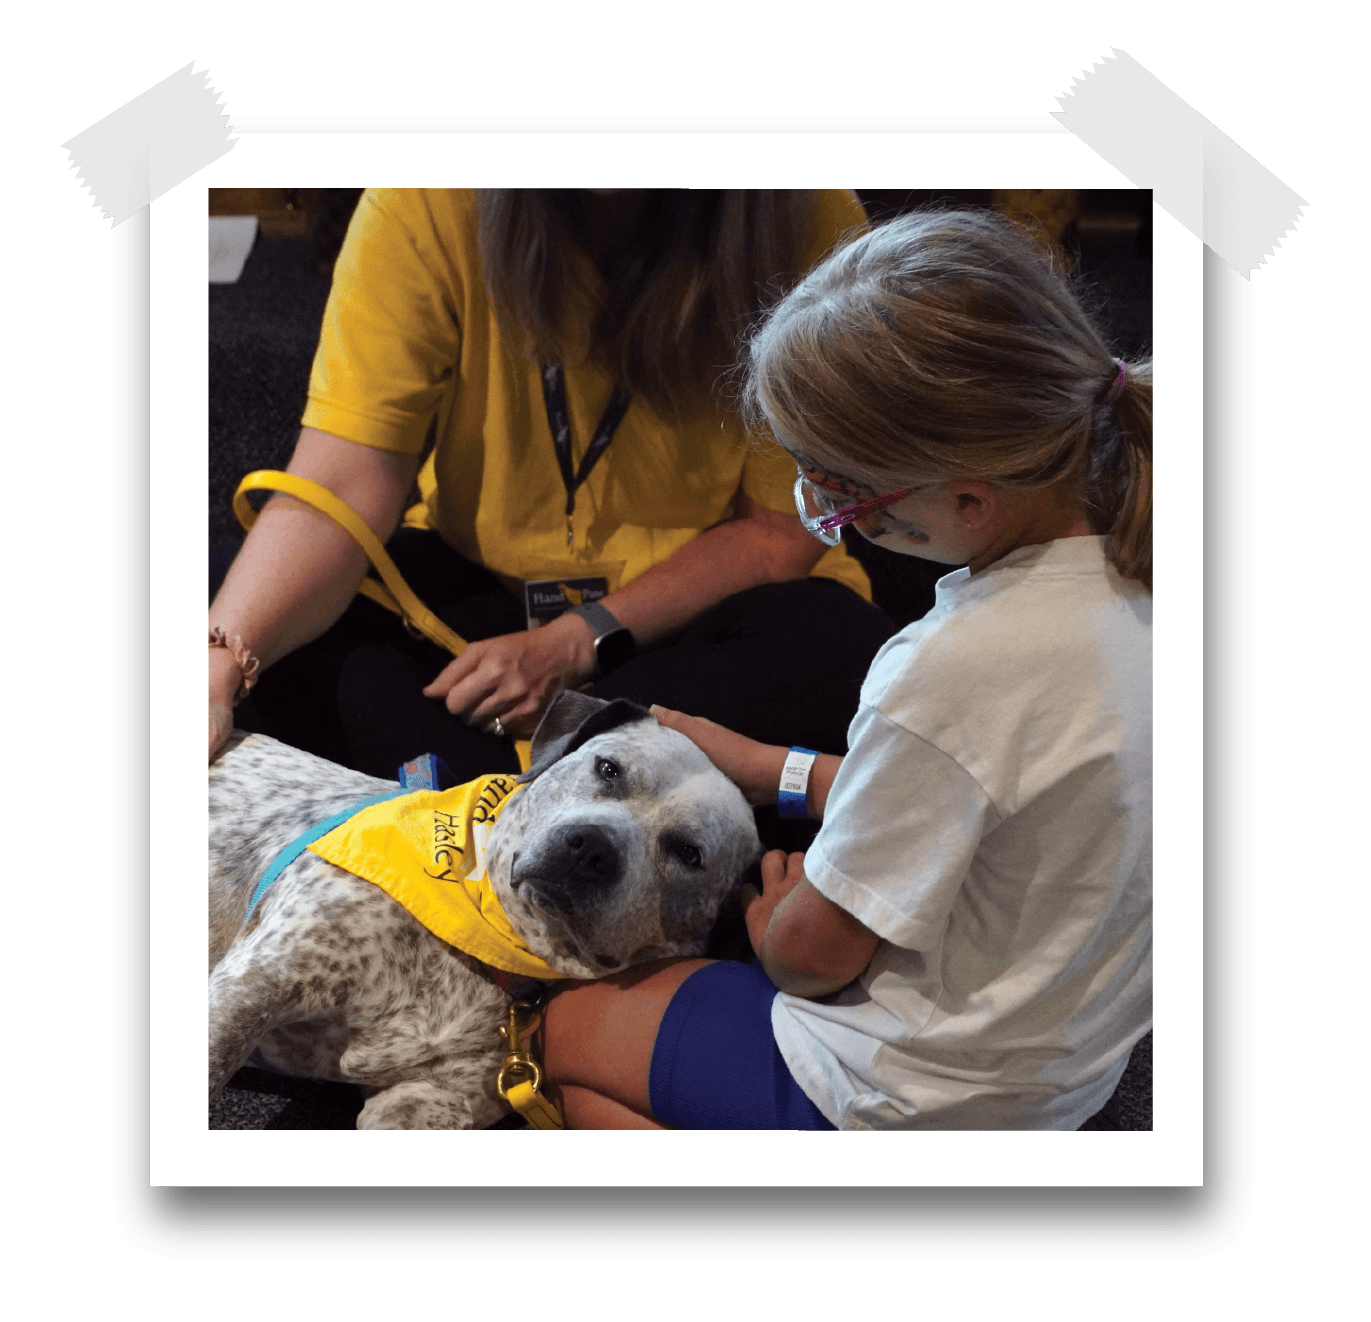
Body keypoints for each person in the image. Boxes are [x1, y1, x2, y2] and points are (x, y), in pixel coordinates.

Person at [540, 207, 1153, 1130]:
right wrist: (770, 769)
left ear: (969, 500)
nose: (826, 511)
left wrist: (776, 923)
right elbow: (991, 793)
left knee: (550, 1040)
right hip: (1060, 1077)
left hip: (907, 1095)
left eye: (840, 493)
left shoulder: (946, 668)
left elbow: (815, 958)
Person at [209, 190, 894, 797]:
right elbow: (340, 487)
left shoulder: (807, 213)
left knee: (844, 659)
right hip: (485, 593)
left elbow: (780, 533)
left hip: (696, 611)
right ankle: (594, 803)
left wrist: (578, 641)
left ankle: (457, 797)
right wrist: (218, 662)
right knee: (226, 607)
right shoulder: (423, 196)